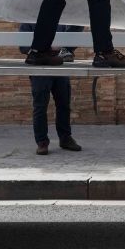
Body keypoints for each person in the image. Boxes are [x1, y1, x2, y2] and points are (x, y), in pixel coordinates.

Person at [18, 24, 82, 155]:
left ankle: (65, 138)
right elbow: (23, 46)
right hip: (39, 68)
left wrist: (63, 49)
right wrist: (48, 49)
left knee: (64, 104)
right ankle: (42, 142)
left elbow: (72, 37)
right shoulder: (28, 20)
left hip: (59, 66)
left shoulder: (63, 19)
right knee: (40, 107)